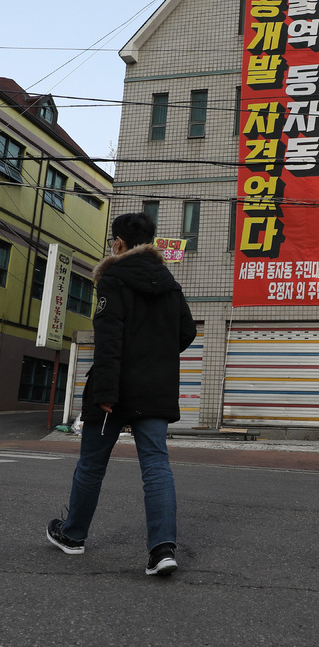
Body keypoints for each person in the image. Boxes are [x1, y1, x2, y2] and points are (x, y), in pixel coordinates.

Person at [46, 213, 197, 576]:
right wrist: (156, 354)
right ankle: (162, 550)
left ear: (119, 244)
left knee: (92, 465)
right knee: (157, 467)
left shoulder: (113, 278)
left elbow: (109, 339)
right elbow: (187, 332)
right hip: (155, 391)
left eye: (112, 241)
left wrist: (107, 392)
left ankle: (73, 535)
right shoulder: (170, 283)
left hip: (112, 392)